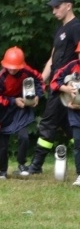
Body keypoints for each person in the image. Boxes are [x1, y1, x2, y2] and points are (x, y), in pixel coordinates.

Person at [19, 0, 80, 177]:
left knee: (48, 122)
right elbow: (52, 60)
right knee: (70, 127)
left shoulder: (76, 27)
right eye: (52, 7)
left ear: (68, 6)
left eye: (57, 7)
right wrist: (40, 83)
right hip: (57, 85)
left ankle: (35, 166)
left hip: (68, 87)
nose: (54, 11)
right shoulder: (60, 30)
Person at [0, 47, 45, 179]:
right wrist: (13, 101)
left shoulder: (26, 71)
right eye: (10, 67)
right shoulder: (0, 78)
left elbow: (39, 80)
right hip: (3, 109)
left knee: (24, 137)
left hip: (21, 109)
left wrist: (37, 95)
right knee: (3, 143)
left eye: (15, 67)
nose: (12, 70)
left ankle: (21, 164)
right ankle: (2, 171)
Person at [47, 41, 80, 186]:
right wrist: (66, 89)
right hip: (74, 112)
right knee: (78, 142)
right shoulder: (71, 66)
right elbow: (54, 82)